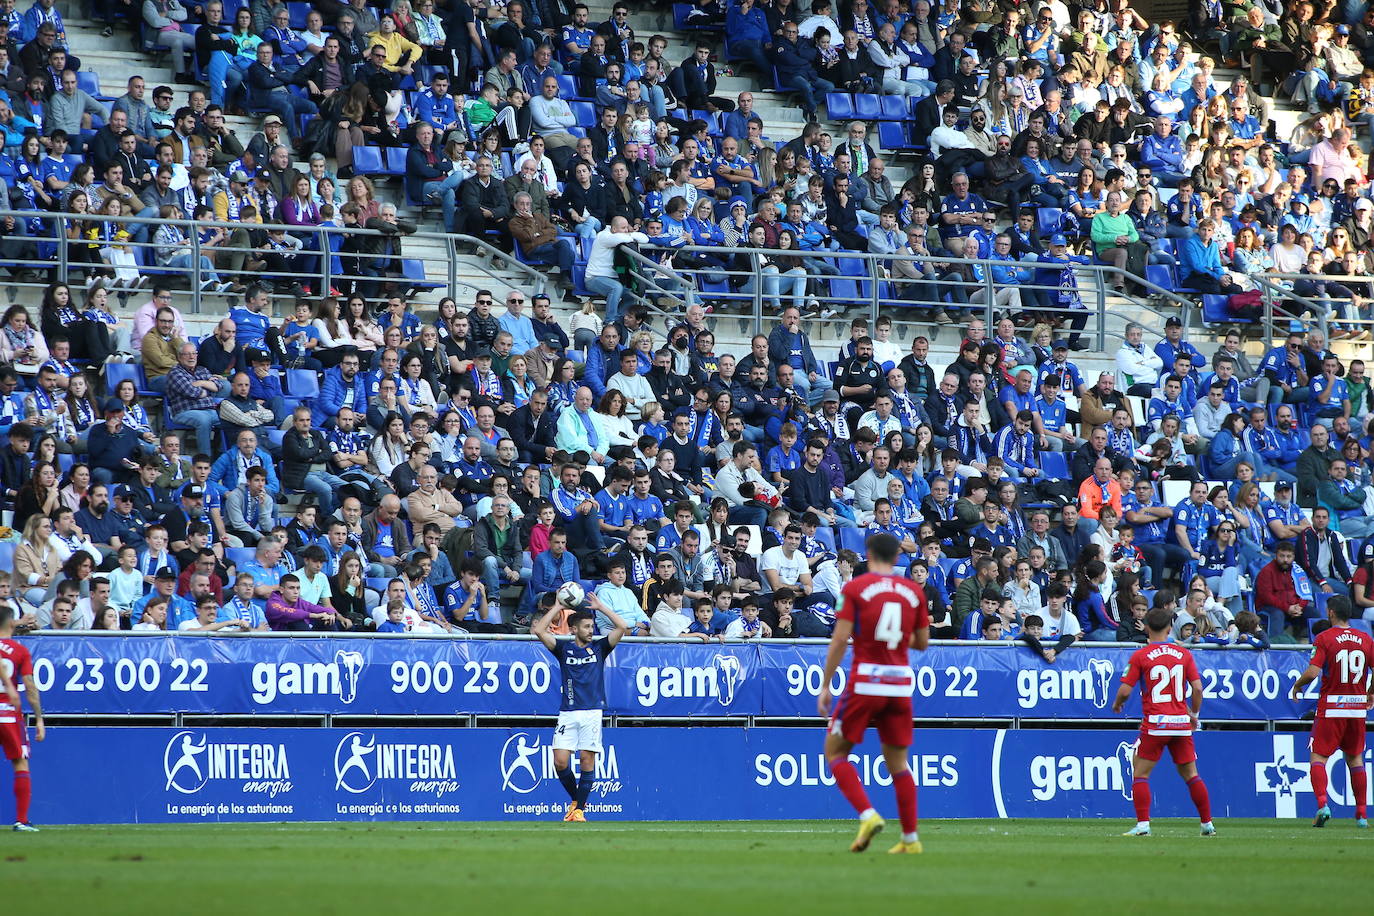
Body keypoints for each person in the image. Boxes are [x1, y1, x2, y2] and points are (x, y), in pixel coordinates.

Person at [817, 532, 930, 854]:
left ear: (868, 554)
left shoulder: (855, 588)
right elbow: (922, 643)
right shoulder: (913, 591)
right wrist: (892, 639)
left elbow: (839, 640)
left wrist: (826, 685)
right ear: (898, 557)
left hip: (866, 681)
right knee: (899, 764)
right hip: (900, 683)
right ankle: (910, 839)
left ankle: (867, 816)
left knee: (836, 753)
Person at [1111, 606, 1215, 837]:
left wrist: (1118, 704)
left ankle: (1143, 825)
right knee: (1192, 775)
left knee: (1140, 774)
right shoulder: (1184, 654)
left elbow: (1126, 690)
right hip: (1180, 723)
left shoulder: (1141, 655)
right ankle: (1207, 824)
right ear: (1170, 628)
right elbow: (1197, 688)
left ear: (1146, 627)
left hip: (1156, 723)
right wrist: (1194, 715)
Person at [530, 587, 629, 822]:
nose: (590, 630)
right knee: (559, 761)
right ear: (573, 629)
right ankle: (577, 801)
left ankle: (579, 811)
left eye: (592, 626)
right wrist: (557, 606)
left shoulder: (600, 648)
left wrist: (602, 608)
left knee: (586, 759)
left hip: (592, 712)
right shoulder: (564, 649)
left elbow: (622, 627)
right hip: (568, 712)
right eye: (586, 627)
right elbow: (539, 630)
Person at [1290, 596, 1373, 828]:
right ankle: (1362, 815)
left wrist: (1298, 684)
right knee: (1355, 759)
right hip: (1357, 709)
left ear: (1332, 613)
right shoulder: (1366, 639)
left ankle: (1323, 804)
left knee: (1318, 757)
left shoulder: (1325, 637)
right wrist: (1371, 692)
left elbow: (1313, 672)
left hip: (1332, 707)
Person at [0, 605, 42, 831]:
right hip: (8, 712)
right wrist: (39, 719)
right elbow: (30, 687)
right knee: (20, 763)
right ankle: (21, 820)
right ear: (10, 623)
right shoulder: (19, 651)